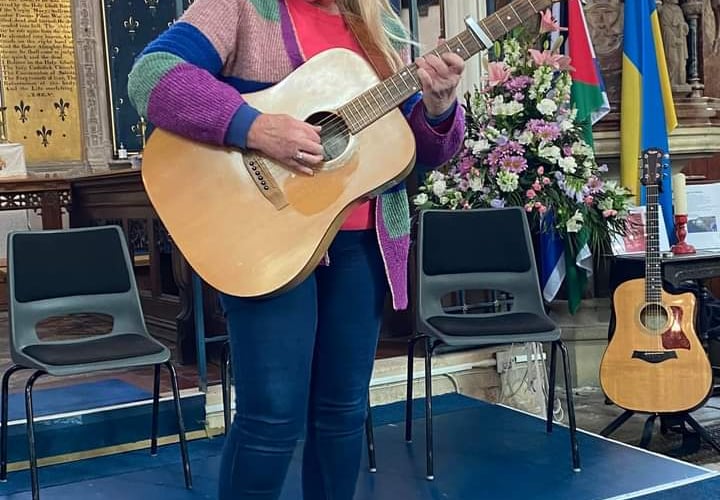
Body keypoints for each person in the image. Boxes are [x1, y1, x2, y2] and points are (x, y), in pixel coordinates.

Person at [127, 1, 465, 498]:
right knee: (272, 419)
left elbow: (421, 151)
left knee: (344, 413)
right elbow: (150, 77)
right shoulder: (240, 6)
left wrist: (438, 108)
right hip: (269, 236)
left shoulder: (378, 24)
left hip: (362, 244)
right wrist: (254, 126)